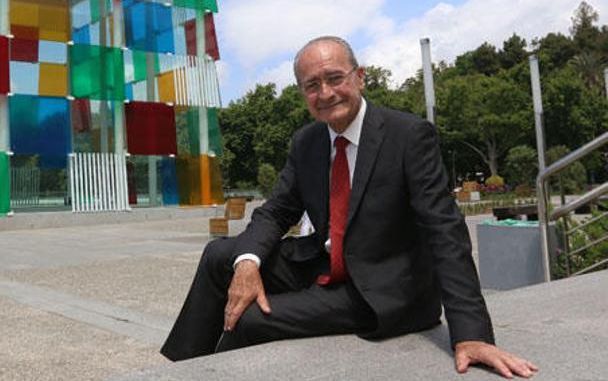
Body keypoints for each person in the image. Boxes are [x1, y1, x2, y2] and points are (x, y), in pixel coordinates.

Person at [161, 36, 538, 378]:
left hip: (384, 288)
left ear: (359, 77)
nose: (325, 93)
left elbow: (445, 232)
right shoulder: (307, 142)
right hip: (327, 266)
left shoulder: (408, 135)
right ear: (302, 93)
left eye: (335, 78)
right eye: (312, 85)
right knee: (220, 255)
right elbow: (276, 211)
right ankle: (184, 369)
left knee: (248, 317)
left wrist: (471, 334)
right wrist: (247, 264)